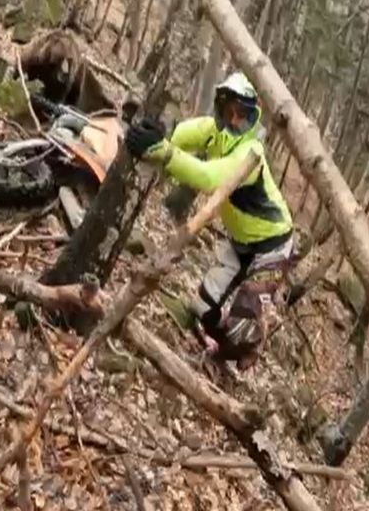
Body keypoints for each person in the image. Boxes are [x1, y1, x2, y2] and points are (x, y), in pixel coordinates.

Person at [125, 72, 295, 369]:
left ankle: (242, 349)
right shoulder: (211, 130)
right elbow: (179, 136)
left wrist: (164, 154)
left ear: (252, 119)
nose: (233, 121)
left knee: (243, 324)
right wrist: (158, 135)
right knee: (203, 307)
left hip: (272, 247)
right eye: (229, 112)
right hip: (240, 243)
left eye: (242, 116)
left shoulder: (250, 152)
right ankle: (224, 346)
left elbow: (208, 178)